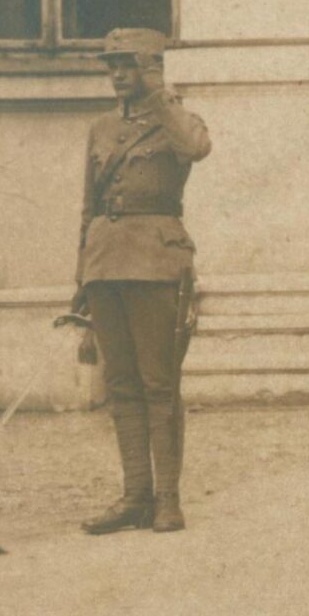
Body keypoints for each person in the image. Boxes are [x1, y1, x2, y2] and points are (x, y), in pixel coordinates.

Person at [75, 27, 210, 535]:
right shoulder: (101, 128)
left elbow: (196, 147)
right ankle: (135, 496)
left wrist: (159, 95)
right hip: (104, 264)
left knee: (159, 383)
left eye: (128, 65)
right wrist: (80, 280)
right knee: (120, 384)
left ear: (152, 68)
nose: (117, 74)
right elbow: (88, 208)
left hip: (156, 263)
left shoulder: (177, 121)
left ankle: (167, 500)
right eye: (112, 65)